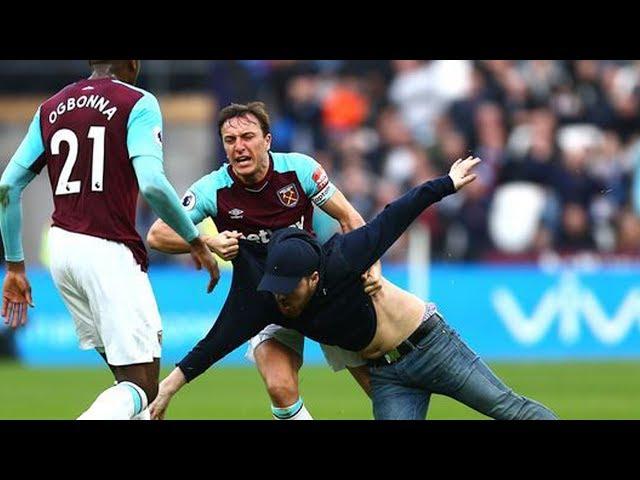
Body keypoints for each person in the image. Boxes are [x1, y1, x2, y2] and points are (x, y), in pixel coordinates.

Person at [152, 156, 558, 420]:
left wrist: (447, 183)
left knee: (509, 409)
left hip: (430, 346)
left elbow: (396, 213)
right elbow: (215, 343)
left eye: (288, 290)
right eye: (276, 289)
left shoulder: (345, 259)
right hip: (387, 376)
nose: (281, 298)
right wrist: (168, 389)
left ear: (313, 278)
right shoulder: (271, 302)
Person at [0, 60, 219, 420]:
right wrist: (195, 239)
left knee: (128, 380)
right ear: (132, 62)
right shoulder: (138, 102)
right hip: (107, 250)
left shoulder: (50, 108)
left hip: (62, 249)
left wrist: (15, 265)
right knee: (143, 386)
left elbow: (8, 185)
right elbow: (152, 184)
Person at [146, 101, 380, 419]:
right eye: (230, 140)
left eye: (248, 136)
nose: (239, 147)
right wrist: (208, 242)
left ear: (267, 140)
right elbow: (158, 235)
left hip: (315, 289)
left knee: (375, 385)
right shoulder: (213, 189)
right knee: (280, 388)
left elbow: (350, 219)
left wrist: (372, 266)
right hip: (267, 297)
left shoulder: (299, 169)